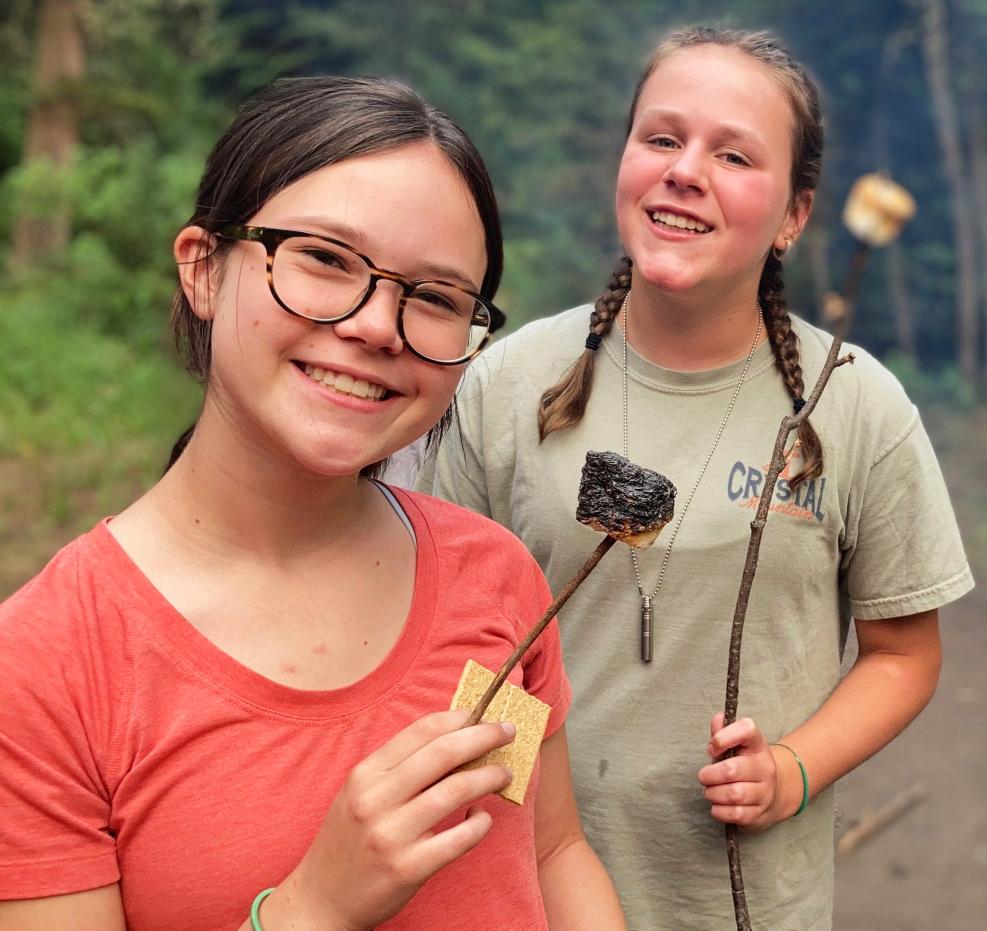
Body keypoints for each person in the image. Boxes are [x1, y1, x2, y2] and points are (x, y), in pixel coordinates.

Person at [0, 77, 624, 930]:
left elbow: (552, 852)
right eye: (327, 259)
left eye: (436, 297)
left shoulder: (497, 579)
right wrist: (313, 907)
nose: (376, 324)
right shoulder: (45, 667)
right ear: (202, 269)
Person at [420, 27, 973, 929]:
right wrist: (529, 818)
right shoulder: (511, 383)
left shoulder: (854, 407)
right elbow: (449, 639)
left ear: (794, 215)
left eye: (734, 154)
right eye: (663, 138)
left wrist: (792, 767)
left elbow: (905, 656)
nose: (685, 170)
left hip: (739, 899)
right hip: (518, 886)